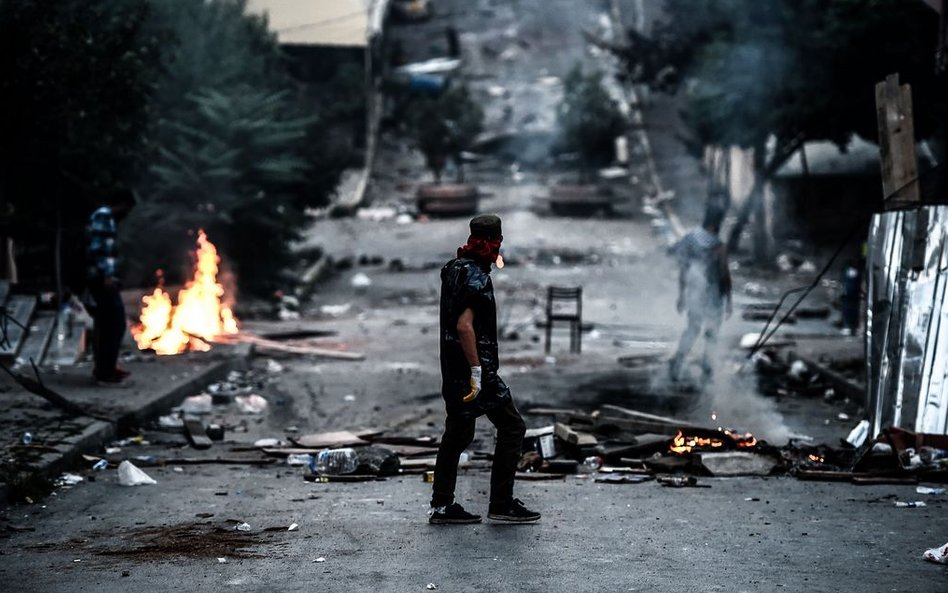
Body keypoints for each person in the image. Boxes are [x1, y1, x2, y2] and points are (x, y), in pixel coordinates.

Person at [429, 214, 540, 525]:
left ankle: (441, 505)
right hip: (476, 371)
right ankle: (501, 503)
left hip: (453, 368)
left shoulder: (454, 268)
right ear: (494, 241)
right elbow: (464, 326)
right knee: (512, 427)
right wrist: (477, 371)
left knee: (457, 434)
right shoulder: (476, 276)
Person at [668, 206, 732, 382]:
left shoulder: (689, 239)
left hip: (695, 292)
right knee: (712, 332)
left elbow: (684, 269)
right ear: (715, 224)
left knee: (693, 328)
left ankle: (677, 361)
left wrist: (681, 295)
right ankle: (707, 368)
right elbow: (724, 274)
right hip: (714, 295)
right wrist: (729, 300)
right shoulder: (718, 246)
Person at [85, 191, 134, 384]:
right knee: (115, 323)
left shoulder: (104, 216)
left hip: (101, 277)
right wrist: (107, 275)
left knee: (106, 323)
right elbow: (99, 249)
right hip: (100, 278)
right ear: (121, 204)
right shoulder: (104, 216)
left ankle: (105, 368)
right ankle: (105, 372)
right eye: (127, 209)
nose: (127, 214)